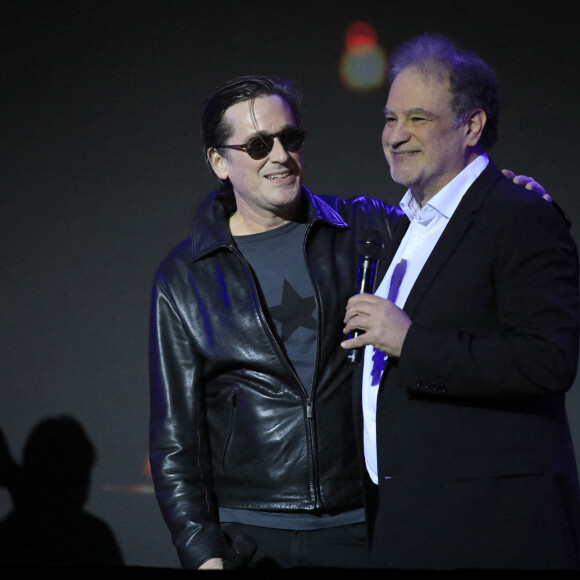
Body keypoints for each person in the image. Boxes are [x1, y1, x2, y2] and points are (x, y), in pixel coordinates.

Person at [148, 74, 548, 570]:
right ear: (218, 161)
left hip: (359, 528)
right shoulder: (186, 277)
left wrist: (512, 204)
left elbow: (458, 236)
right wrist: (202, 552)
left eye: (289, 138)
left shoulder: (367, 229)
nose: (279, 155)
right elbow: (174, 439)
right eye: (256, 145)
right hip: (249, 537)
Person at [341, 33, 580, 570]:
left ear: (471, 126)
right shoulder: (407, 226)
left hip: (489, 529)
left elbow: (548, 360)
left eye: (418, 119)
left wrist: (410, 341)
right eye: (389, 118)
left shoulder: (519, 215)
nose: (396, 136)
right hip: (409, 518)